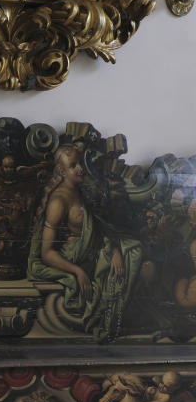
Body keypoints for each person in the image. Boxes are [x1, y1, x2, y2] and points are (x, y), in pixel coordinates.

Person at [27, 144, 141, 342]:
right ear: (62, 171)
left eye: (81, 163)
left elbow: (98, 228)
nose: (80, 168)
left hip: (92, 249)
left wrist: (113, 250)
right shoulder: (58, 201)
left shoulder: (82, 191)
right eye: (73, 165)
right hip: (75, 258)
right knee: (133, 250)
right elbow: (46, 253)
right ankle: (109, 322)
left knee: (132, 247)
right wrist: (77, 272)